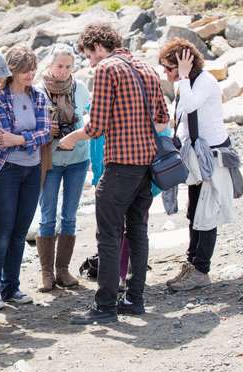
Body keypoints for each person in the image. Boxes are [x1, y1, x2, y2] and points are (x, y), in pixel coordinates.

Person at [59, 23, 169, 324]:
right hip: (147, 165)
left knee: (108, 235)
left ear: (97, 47)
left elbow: (96, 127)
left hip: (120, 165)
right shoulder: (146, 68)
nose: (90, 63)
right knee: (137, 232)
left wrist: (71, 138)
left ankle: (105, 306)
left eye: (89, 56)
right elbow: (163, 118)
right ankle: (135, 299)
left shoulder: (107, 69)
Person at [159, 38, 235, 291]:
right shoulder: (187, 84)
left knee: (206, 212)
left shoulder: (204, 82)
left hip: (211, 156)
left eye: (169, 68)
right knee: (193, 212)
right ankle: (192, 262)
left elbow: (191, 105)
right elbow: (180, 119)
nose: (166, 74)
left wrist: (181, 76)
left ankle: (202, 270)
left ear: (184, 64)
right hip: (194, 157)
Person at [0, 45, 52, 311]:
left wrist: (21, 139)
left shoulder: (39, 96)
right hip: (4, 171)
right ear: (12, 71)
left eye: (33, 68)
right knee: (2, 232)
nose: (30, 74)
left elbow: (46, 133)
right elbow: (2, 138)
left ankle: (11, 287)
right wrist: (29, 138)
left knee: (20, 232)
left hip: (32, 170)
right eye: (24, 70)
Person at [36, 43, 91, 292]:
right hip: (50, 161)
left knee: (69, 215)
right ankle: (46, 273)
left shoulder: (80, 89)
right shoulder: (37, 91)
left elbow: (89, 119)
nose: (63, 71)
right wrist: (47, 130)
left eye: (68, 66)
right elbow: (30, 126)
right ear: (50, 64)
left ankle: (63, 270)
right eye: (59, 65)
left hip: (78, 160)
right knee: (47, 216)